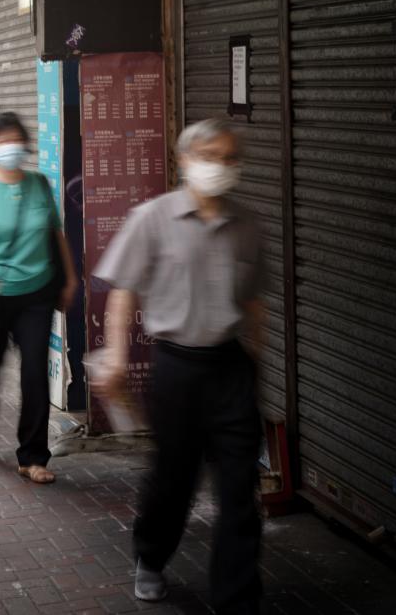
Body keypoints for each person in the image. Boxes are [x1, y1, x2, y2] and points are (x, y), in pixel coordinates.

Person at [93, 117, 265, 614]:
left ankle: (237, 599)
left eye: (229, 158)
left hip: (230, 366)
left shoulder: (248, 223)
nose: (221, 166)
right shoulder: (152, 217)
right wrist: (117, 357)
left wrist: (256, 362)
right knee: (174, 477)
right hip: (176, 367)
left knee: (239, 487)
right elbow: (123, 290)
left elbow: (254, 303)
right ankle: (151, 556)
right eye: (210, 156)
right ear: (184, 160)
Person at [0, 111, 78, 484]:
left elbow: (56, 233)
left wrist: (70, 277)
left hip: (37, 292)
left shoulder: (38, 184)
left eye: (15, 139)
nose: (10, 146)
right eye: (2, 140)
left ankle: (33, 456)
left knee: (35, 372)